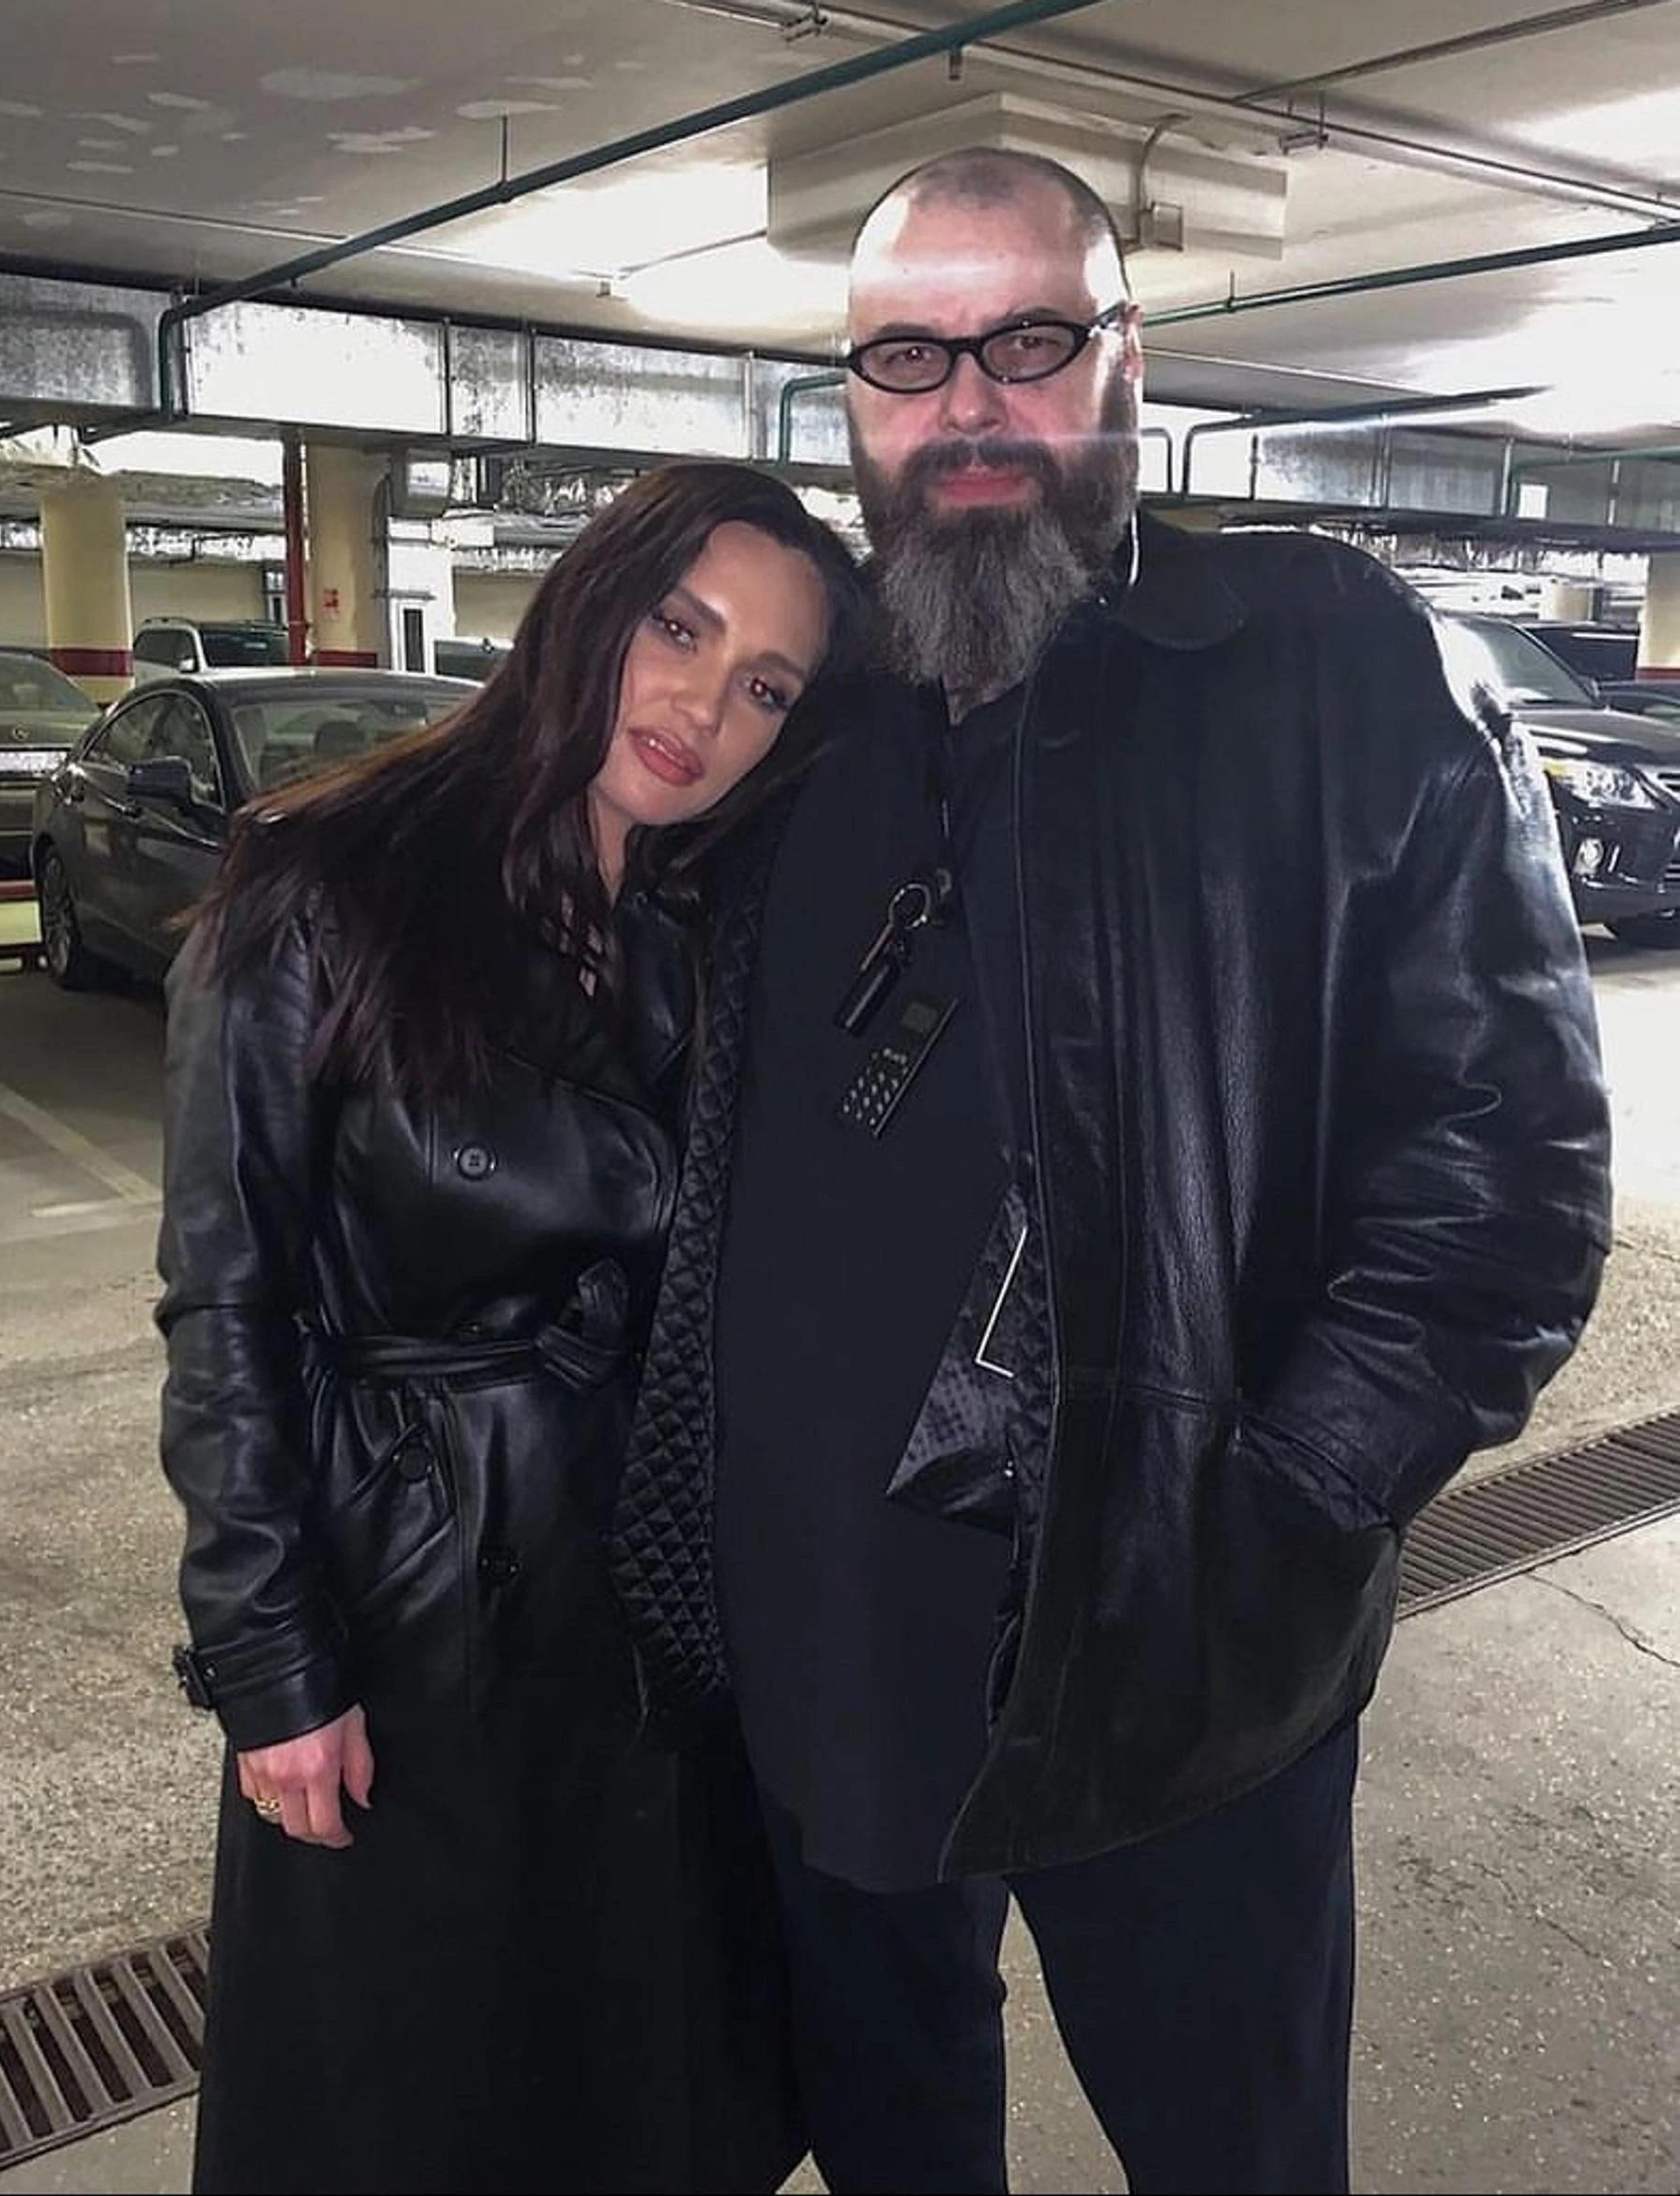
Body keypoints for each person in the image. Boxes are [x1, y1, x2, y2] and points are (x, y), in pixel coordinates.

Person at [609, 153, 1613, 2194]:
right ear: (851, 393)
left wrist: (1283, 1506)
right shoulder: (805, 709)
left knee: (1230, 2146)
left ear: (1126, 358)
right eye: (909, 354)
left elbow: (1507, 1172)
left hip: (1178, 1654)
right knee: (892, 2139)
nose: (968, 400)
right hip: (823, 1642)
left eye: (1029, 338)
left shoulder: (1333, 671)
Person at [155, 460, 866, 2196]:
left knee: (630, 2078)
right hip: (410, 1600)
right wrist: (272, 1662)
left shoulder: (714, 925)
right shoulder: (326, 881)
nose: (704, 705)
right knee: (407, 2096)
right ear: (590, 600)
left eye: (767, 683)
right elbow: (227, 1301)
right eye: (681, 628)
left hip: (653, 1598)